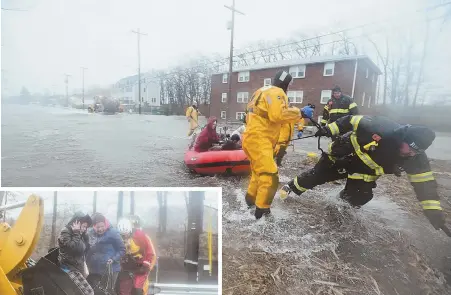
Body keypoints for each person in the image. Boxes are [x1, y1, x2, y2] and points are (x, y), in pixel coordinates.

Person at [279, 115, 447, 231]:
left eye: (417, 152)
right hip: (344, 155)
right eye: (410, 148)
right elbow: (350, 120)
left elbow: (426, 186)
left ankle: (338, 205)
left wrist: (434, 213)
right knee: (316, 176)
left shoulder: (416, 159)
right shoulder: (381, 127)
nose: (411, 153)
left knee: (362, 196)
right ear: (404, 138)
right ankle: (290, 188)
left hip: (365, 172)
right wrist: (330, 129)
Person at [243, 70, 305, 219]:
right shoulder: (277, 92)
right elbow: (277, 115)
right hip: (260, 139)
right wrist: (299, 112)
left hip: (252, 138)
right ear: (286, 84)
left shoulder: (261, 91)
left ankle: (249, 201)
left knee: (259, 174)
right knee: (271, 176)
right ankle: (262, 213)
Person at [86, 213, 126, 292]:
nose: (100, 229)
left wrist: (113, 259)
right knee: (95, 291)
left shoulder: (113, 233)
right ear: (93, 226)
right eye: (98, 227)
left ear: (106, 224)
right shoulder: (89, 233)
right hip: (94, 269)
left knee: (107, 291)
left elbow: (122, 249)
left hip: (110, 269)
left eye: (102, 226)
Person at [117, 218, 157, 295]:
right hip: (126, 267)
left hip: (140, 266)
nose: (125, 236)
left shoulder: (141, 236)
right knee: (124, 290)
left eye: (127, 234)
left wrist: (146, 265)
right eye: (123, 235)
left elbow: (150, 252)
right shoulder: (117, 238)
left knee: (138, 288)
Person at [57, 212, 94, 295]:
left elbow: (84, 250)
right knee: (87, 292)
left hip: (78, 267)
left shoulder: (81, 234)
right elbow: (72, 248)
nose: (85, 229)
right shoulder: (65, 232)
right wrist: (76, 233)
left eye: (86, 227)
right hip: (68, 268)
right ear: (76, 222)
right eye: (84, 226)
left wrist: (85, 237)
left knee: (88, 292)